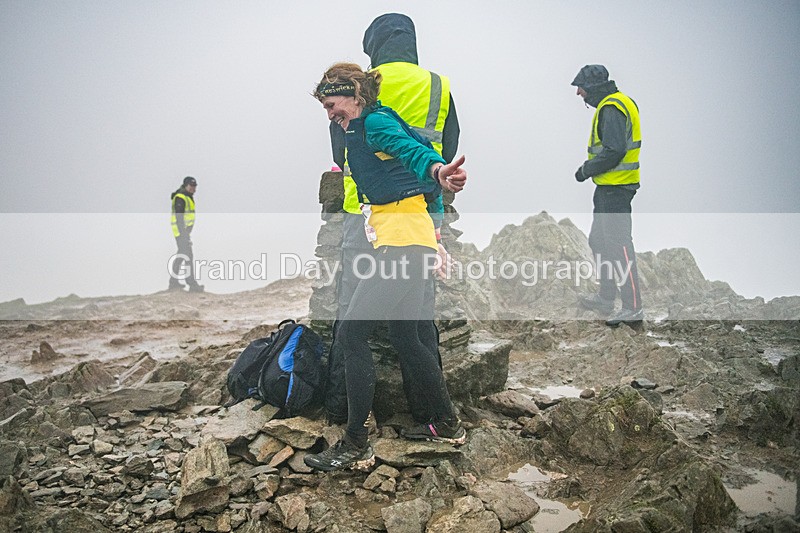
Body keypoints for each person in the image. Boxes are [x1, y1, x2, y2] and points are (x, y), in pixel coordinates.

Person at [305, 63, 466, 472]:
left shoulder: (376, 123)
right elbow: (414, 159)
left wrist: (438, 171)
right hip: (407, 241)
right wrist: (435, 229)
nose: (329, 114)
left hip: (403, 247)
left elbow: (416, 152)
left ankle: (356, 443)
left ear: (354, 94)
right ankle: (447, 424)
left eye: (332, 105)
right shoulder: (364, 127)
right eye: (325, 108)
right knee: (406, 335)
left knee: (352, 332)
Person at [324, 13, 461, 426]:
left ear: (373, 45)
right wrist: (436, 177)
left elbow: (340, 152)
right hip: (423, 209)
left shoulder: (361, 87)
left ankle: (343, 413)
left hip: (364, 213)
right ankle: (431, 415)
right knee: (415, 325)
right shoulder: (436, 85)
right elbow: (446, 143)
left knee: (350, 317)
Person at [572, 65, 643, 326]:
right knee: (599, 241)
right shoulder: (617, 103)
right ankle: (606, 297)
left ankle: (633, 308)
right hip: (608, 187)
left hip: (617, 189)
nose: (579, 93)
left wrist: (586, 169)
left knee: (619, 246)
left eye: (581, 87)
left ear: (592, 87)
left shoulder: (612, 108)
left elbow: (615, 150)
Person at [169, 176, 204, 292]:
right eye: (191, 186)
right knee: (188, 256)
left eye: (195, 186)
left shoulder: (187, 197)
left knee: (181, 255)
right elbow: (179, 218)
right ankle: (192, 283)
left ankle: (173, 282)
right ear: (186, 185)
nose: (194, 188)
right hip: (181, 232)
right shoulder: (181, 197)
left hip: (183, 232)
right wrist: (184, 234)